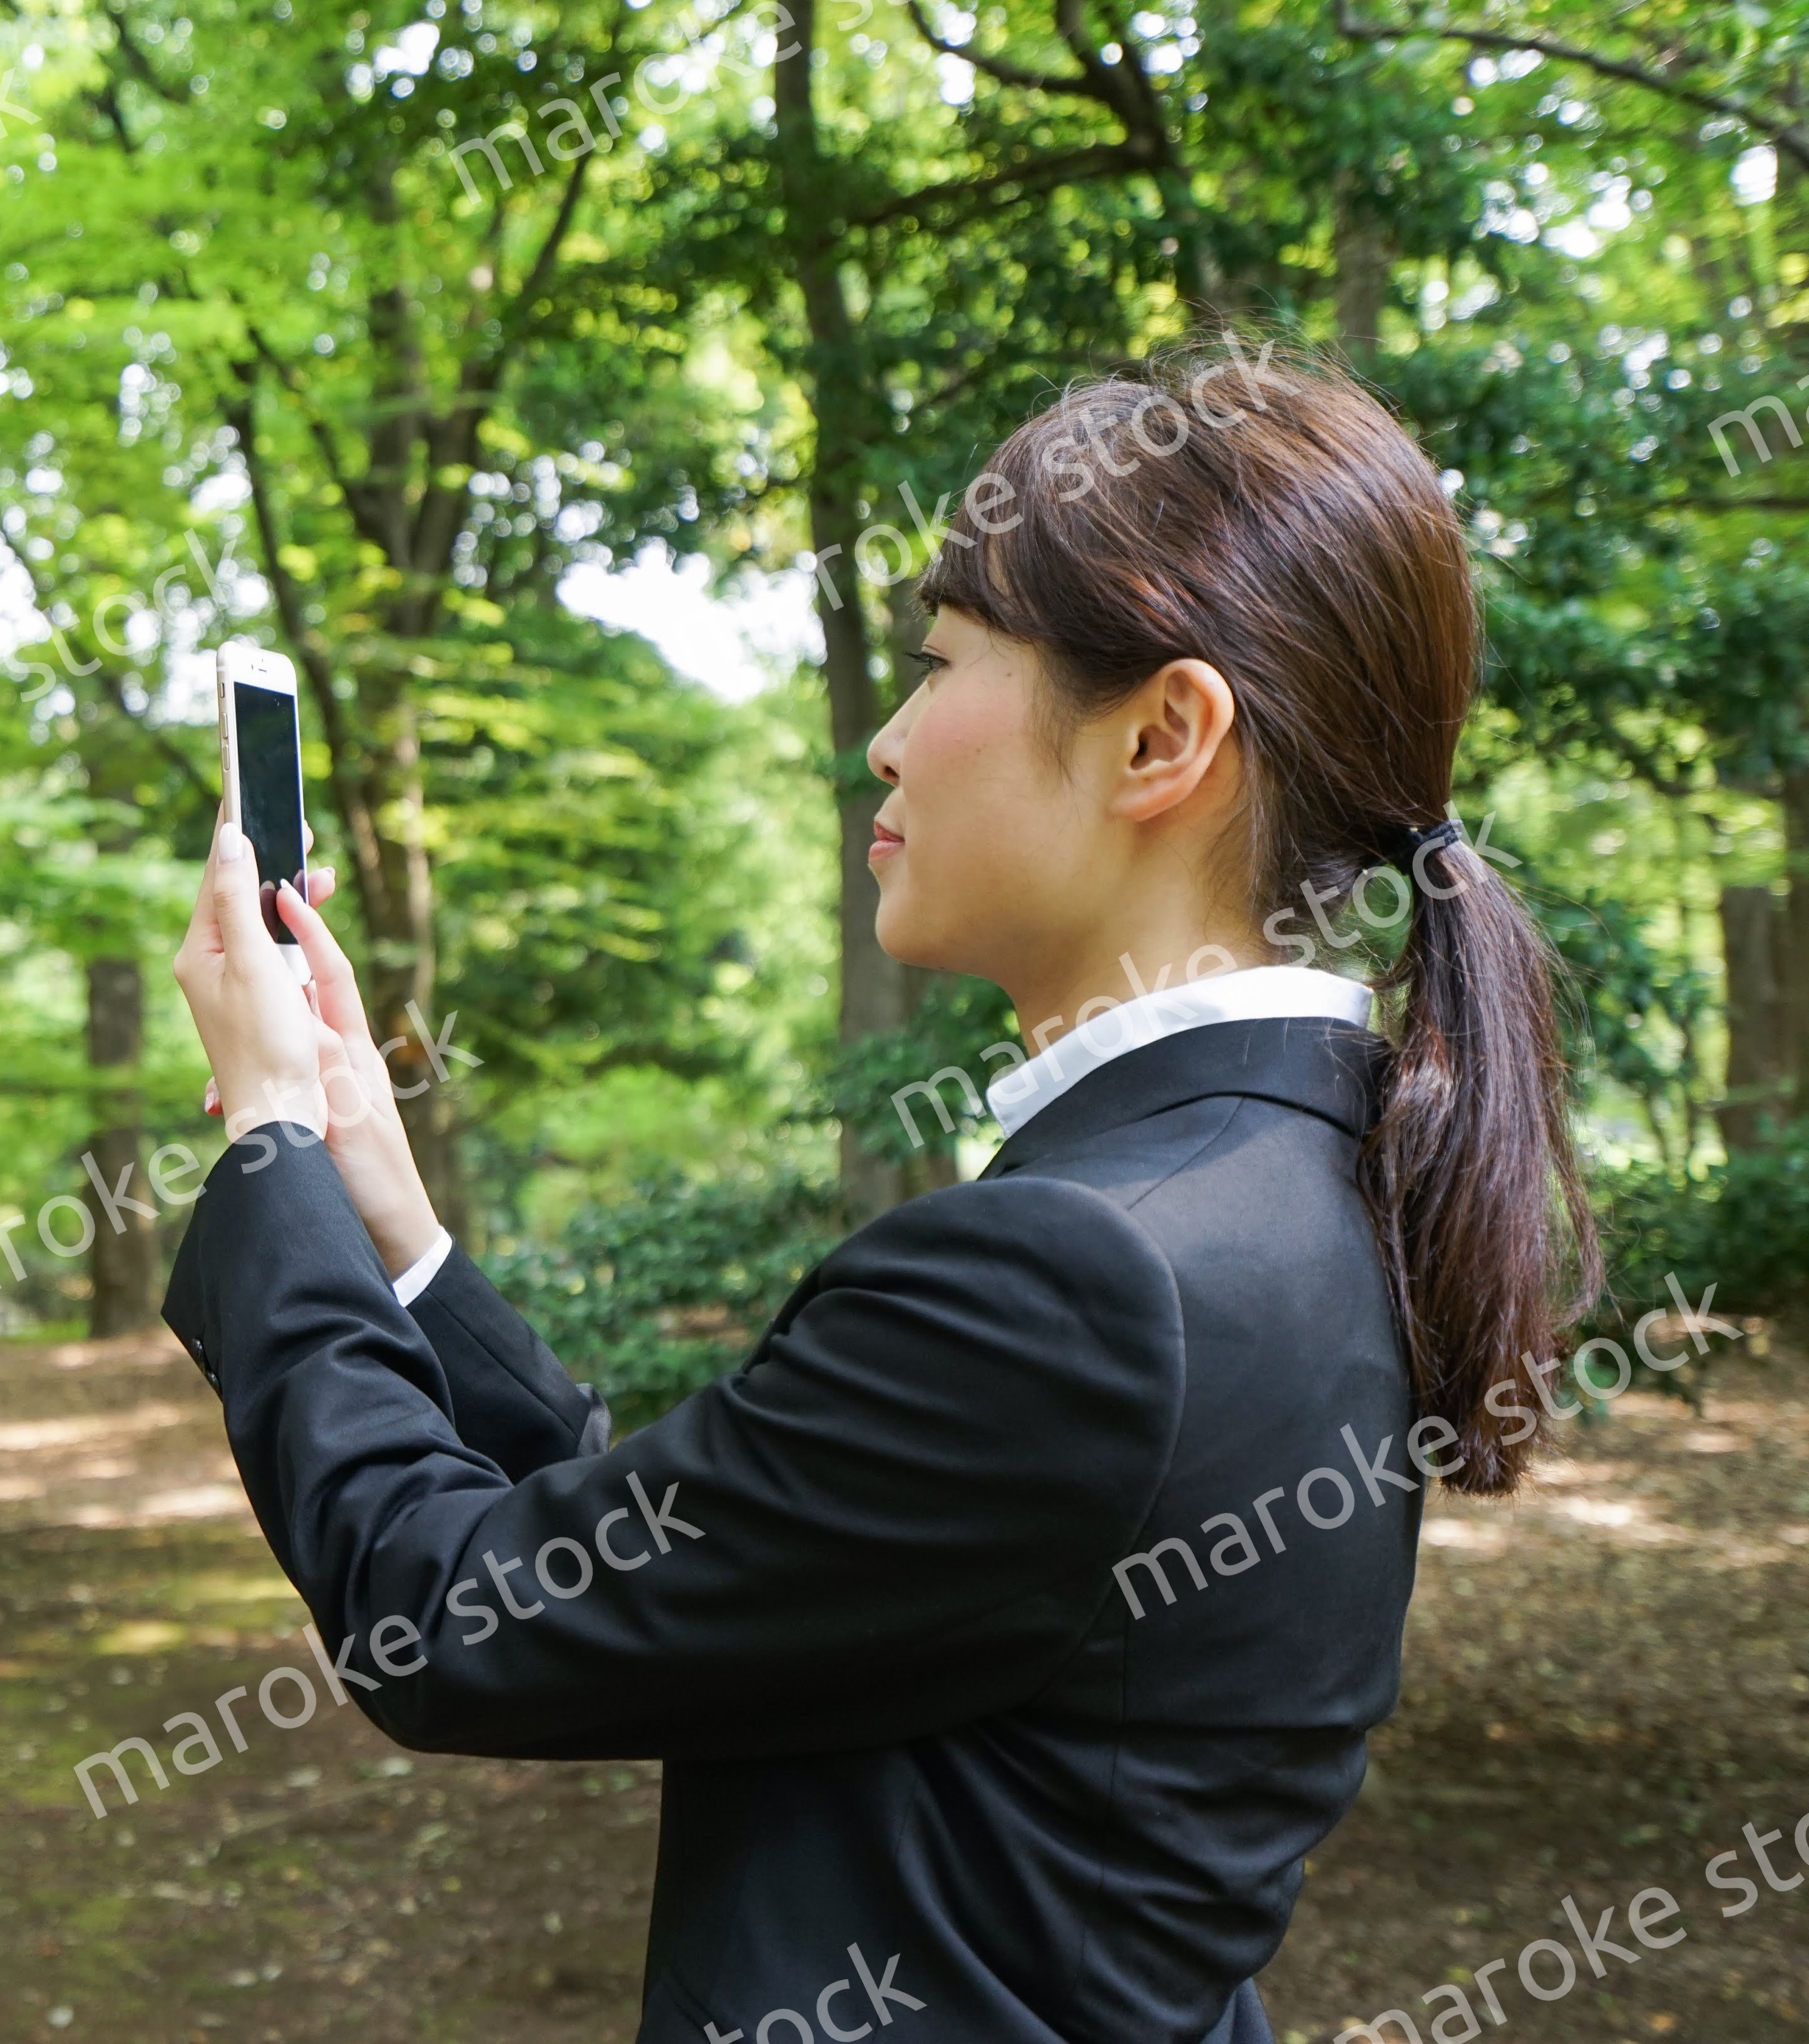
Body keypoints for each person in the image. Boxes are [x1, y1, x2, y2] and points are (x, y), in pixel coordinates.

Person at [161, 344, 1598, 2044]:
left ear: (1162, 734)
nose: (885, 741)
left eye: (934, 664)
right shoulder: (1306, 1182)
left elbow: (442, 1617)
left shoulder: (1075, 1273)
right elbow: (731, 1556)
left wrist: (264, 1138)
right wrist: (390, 1233)